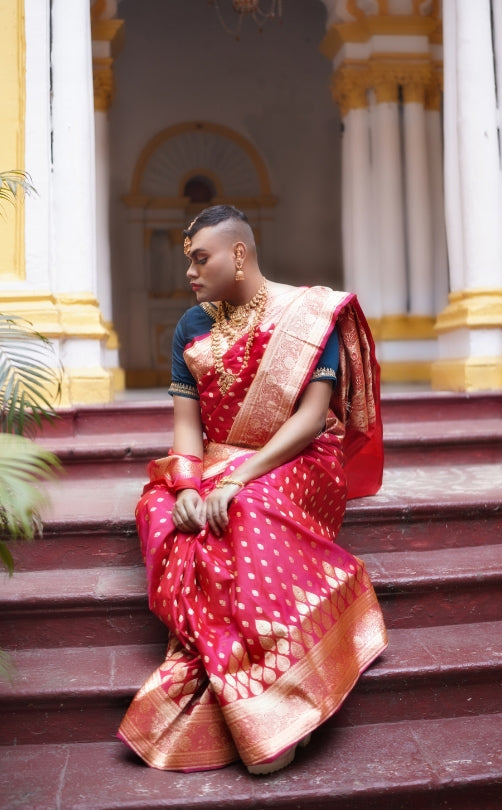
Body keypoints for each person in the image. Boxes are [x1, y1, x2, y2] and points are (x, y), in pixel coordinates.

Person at [118, 204, 387, 775]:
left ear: (238, 254)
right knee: (161, 510)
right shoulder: (191, 326)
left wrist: (239, 476)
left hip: (297, 459)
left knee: (247, 507)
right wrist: (188, 483)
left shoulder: (309, 313)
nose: (189, 271)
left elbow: (314, 417)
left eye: (200, 258)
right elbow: (187, 427)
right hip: (215, 463)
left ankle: (286, 699)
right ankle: (246, 687)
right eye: (187, 260)